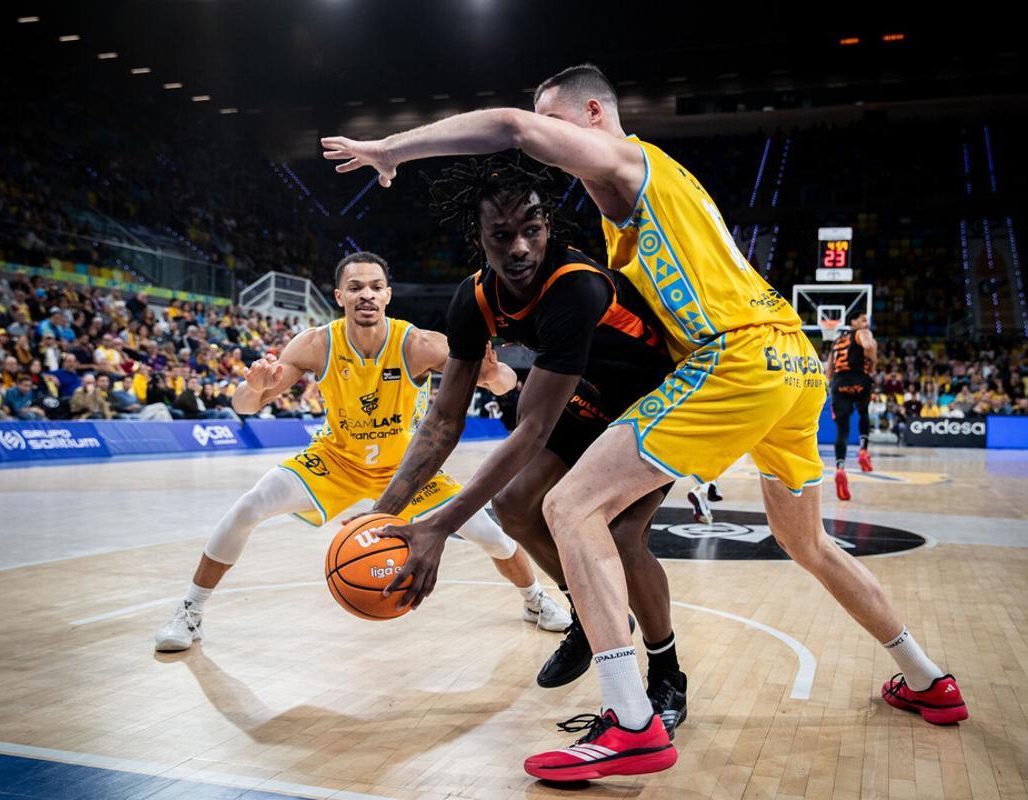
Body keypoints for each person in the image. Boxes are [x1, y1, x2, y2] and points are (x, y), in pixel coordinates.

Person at [323, 62, 967, 780]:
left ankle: (633, 724)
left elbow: (508, 127)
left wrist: (392, 150)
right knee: (805, 541)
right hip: (791, 358)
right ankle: (926, 678)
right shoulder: (639, 197)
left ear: (596, 114)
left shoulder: (628, 162)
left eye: (556, 126)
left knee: (569, 505)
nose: (546, 146)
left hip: (738, 356)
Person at [383, 156, 687, 732]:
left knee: (621, 535)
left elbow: (532, 429)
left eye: (533, 230)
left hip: (656, 401)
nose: (519, 246)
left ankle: (666, 670)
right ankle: (589, 613)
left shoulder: (574, 286)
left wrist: (440, 526)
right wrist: (382, 515)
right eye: (502, 234)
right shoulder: (473, 299)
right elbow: (443, 422)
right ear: (480, 237)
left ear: (549, 229)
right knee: (515, 505)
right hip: (591, 397)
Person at [153, 252, 569, 652]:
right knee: (248, 507)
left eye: (375, 287)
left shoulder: (419, 344)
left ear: (388, 295)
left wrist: (494, 372)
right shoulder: (315, 344)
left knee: (490, 534)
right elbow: (244, 406)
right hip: (335, 460)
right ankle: (190, 610)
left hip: (408, 469)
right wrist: (257, 387)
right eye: (355, 287)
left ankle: (535, 599)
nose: (366, 294)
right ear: (340, 296)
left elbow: (505, 385)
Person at [827, 310, 878, 501]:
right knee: (863, 413)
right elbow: (868, 346)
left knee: (842, 430)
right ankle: (863, 450)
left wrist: (830, 386)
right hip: (859, 380)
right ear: (853, 321)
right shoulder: (862, 333)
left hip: (839, 383)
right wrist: (872, 360)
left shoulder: (836, 341)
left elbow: (829, 370)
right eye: (863, 320)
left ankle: (840, 467)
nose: (866, 323)